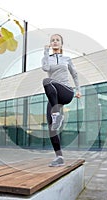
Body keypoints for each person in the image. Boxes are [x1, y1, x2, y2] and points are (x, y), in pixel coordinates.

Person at [42, 34, 82, 167]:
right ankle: (59, 157)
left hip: (66, 91)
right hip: (54, 96)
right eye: (52, 40)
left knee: (46, 81)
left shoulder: (67, 59)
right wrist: (45, 52)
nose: (54, 42)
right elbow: (45, 68)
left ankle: (56, 115)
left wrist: (78, 90)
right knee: (51, 127)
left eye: (57, 40)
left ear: (61, 44)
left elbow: (74, 74)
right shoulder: (47, 58)